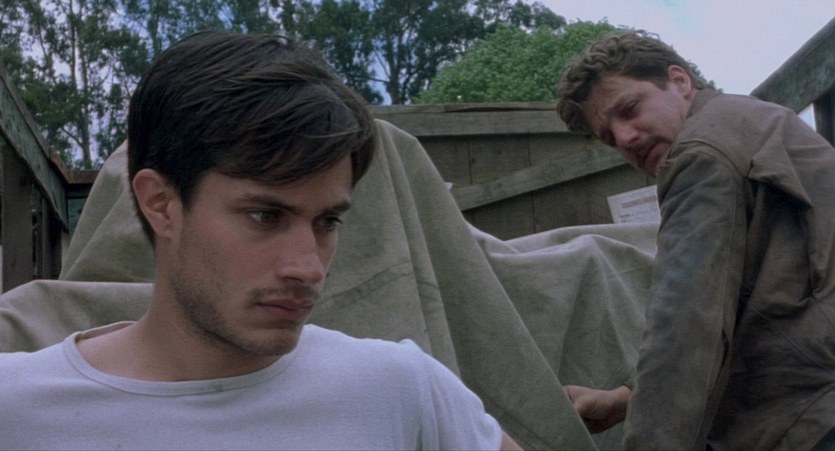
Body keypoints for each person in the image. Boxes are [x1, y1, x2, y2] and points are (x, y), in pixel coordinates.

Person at [0, 30, 520, 450]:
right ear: (161, 203)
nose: (309, 269)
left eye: (327, 222)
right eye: (265, 216)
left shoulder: (400, 389)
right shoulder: (18, 410)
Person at [556, 29, 835, 449]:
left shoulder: (701, 153)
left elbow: (684, 328)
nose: (626, 139)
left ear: (679, 81)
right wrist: (628, 398)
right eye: (610, 137)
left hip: (811, 419)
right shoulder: (755, 121)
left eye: (629, 109)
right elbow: (766, 303)